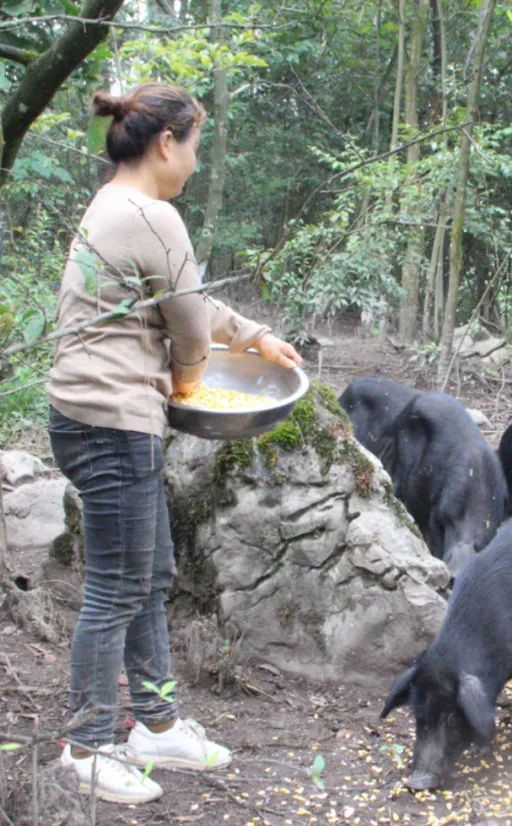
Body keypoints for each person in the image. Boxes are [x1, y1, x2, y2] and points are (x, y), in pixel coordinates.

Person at [46, 83, 303, 804]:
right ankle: (88, 743)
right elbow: (188, 333)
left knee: (150, 573)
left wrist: (253, 337)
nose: (194, 162)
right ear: (168, 143)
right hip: (111, 422)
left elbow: (185, 298)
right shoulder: (154, 215)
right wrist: (189, 382)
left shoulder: (113, 204)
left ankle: (154, 724)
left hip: (90, 417)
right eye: (195, 147)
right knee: (116, 586)